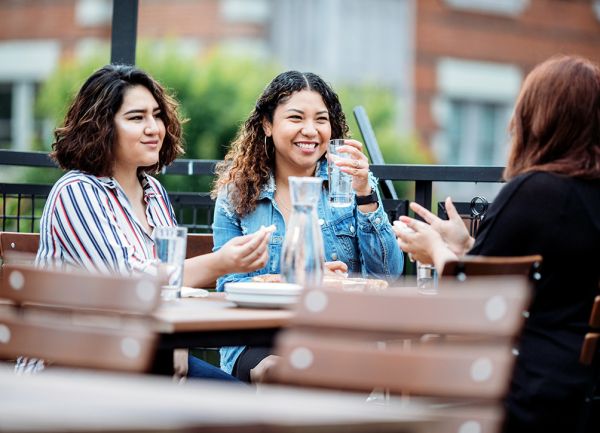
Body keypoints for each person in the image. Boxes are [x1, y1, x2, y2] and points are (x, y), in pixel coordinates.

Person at [394, 55, 600, 433]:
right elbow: (537, 272)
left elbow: (470, 298)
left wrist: (435, 251)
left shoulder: (535, 190)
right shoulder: (585, 194)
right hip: (577, 387)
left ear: (537, 118)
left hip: (518, 389)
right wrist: (465, 244)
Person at [31, 64, 271, 381]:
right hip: (78, 365)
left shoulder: (153, 192)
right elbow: (132, 286)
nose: (154, 128)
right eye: (136, 117)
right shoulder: (76, 192)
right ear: (101, 126)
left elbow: (168, 287)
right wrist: (221, 263)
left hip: (144, 351)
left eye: (156, 115)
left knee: (240, 406)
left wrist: (179, 346)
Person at [211, 70, 404, 382]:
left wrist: (366, 192)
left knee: (326, 367)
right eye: (296, 118)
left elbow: (387, 274)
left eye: (321, 120)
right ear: (267, 125)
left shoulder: (352, 184)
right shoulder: (236, 194)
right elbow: (227, 287)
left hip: (336, 334)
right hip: (257, 341)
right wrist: (305, 281)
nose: (310, 131)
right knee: (284, 370)